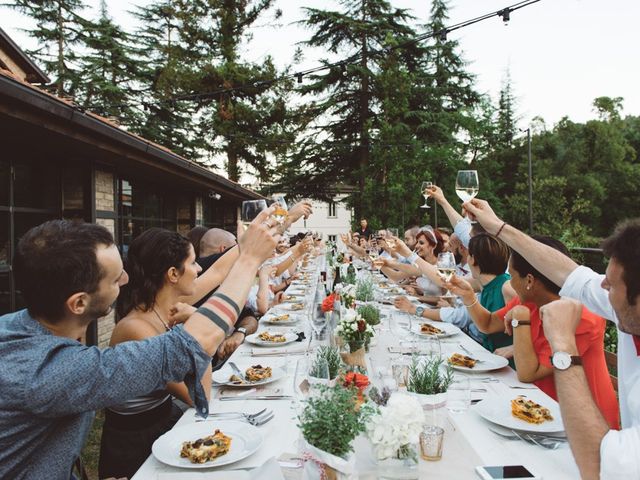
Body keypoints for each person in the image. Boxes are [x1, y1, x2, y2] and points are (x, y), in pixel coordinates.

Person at [0, 210, 279, 480]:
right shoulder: (52, 373)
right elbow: (193, 345)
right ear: (79, 303)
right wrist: (250, 260)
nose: (126, 280)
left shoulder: (20, 329)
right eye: (114, 278)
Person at [463, 198, 636, 479]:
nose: (602, 287)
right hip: (549, 419)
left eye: (612, 284)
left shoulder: (586, 315)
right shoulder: (621, 305)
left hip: (590, 438)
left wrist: (561, 343)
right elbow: (572, 273)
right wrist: (497, 227)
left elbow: (599, 466)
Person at [99, 229, 214, 478]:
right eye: (192, 263)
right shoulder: (136, 328)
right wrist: (201, 326)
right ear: (173, 274)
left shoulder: (163, 312)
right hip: (135, 449)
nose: (199, 269)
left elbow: (220, 273)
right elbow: (201, 397)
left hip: (165, 425)